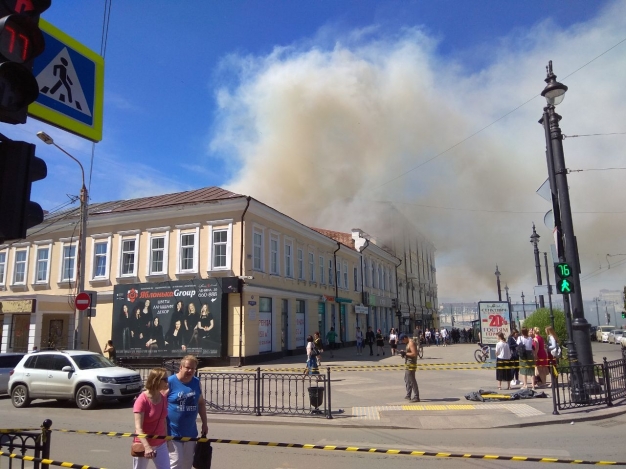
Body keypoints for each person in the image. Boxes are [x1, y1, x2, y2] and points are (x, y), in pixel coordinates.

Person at [167, 355, 208, 469]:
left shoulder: (196, 382)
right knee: (176, 462)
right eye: (187, 368)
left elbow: (200, 403)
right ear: (180, 367)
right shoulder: (170, 382)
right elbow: (159, 405)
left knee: (187, 464)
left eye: (193, 369)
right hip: (172, 431)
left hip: (190, 432)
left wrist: (205, 423)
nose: (190, 371)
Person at [132, 367, 170, 469]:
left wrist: (167, 439)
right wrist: (147, 447)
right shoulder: (142, 400)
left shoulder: (163, 397)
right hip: (143, 444)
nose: (168, 381)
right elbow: (138, 429)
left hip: (160, 443)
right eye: (165, 379)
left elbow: (164, 421)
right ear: (156, 380)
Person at [399, 334, 420, 402]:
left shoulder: (411, 343)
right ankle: (408, 395)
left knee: (412, 380)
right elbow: (409, 353)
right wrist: (404, 354)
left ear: (405, 338)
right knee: (407, 379)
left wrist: (405, 353)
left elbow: (414, 354)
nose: (402, 342)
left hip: (411, 364)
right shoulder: (408, 342)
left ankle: (416, 396)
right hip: (408, 364)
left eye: (402, 340)